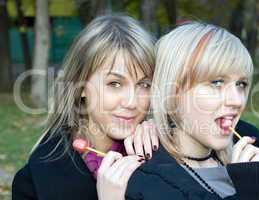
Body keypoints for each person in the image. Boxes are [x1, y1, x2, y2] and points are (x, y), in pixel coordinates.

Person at [125, 22, 259, 200]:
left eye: (241, 84)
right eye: (216, 83)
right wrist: (256, 193)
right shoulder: (149, 185)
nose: (237, 100)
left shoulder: (250, 151)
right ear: (172, 95)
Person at [12, 15, 159, 200]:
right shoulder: (33, 183)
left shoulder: (161, 159)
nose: (131, 102)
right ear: (81, 87)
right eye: (114, 83)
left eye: (144, 85)